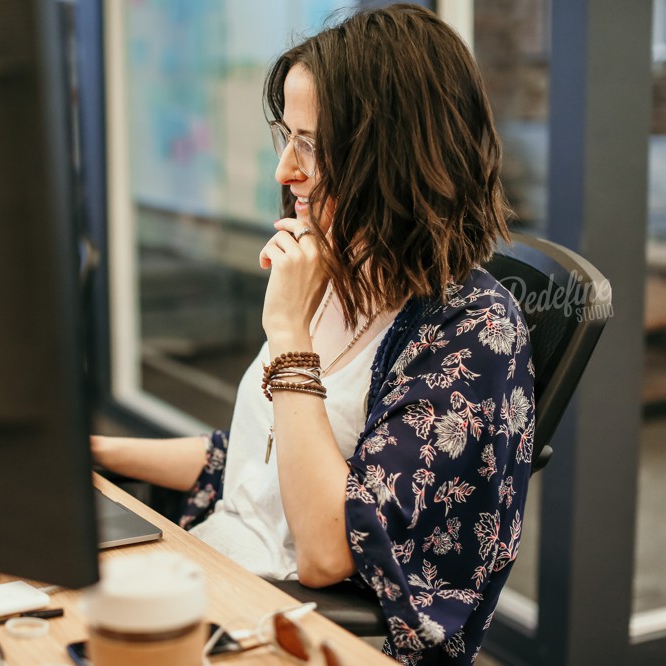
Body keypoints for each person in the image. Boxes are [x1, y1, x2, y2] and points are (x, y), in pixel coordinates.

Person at [91, 4, 533, 664]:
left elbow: (331, 551)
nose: (285, 172)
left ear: (398, 157)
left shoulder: (471, 331)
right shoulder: (334, 269)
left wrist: (290, 334)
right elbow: (252, 462)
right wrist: (94, 452)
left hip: (298, 626)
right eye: (285, 137)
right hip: (220, 575)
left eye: (313, 147)